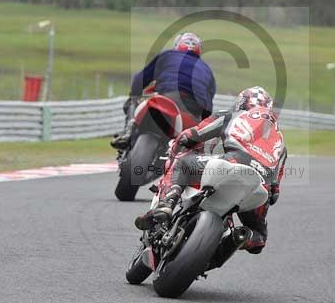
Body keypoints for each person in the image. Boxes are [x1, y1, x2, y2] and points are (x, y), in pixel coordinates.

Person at [135, 86, 286, 254]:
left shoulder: (231, 115)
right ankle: (239, 238)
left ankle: (166, 205)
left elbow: (190, 136)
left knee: (183, 165)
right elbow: (275, 192)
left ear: (242, 103)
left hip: (232, 163)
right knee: (259, 238)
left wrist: (174, 153)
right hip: (260, 186)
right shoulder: (279, 137)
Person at [111, 32, 216, 150]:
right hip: (193, 111)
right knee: (193, 146)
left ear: (177, 45)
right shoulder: (207, 69)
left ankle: (127, 134)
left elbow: (139, 79)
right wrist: (201, 118)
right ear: (198, 49)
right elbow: (208, 106)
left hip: (169, 97)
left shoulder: (168, 55)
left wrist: (135, 94)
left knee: (133, 100)